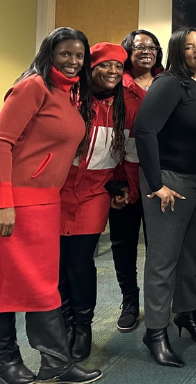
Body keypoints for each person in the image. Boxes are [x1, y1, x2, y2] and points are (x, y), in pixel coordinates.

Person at [0, 26, 102, 384]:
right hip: (17, 205)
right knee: (9, 285)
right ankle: (7, 360)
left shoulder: (69, 93)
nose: (73, 62)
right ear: (50, 54)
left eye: (79, 56)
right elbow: (2, 141)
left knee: (42, 286)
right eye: (66, 54)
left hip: (46, 204)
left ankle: (54, 363)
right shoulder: (32, 87)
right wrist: (3, 203)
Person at [134, 27, 196, 367]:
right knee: (163, 261)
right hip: (171, 183)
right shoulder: (170, 83)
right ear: (178, 53)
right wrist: (157, 183)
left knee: (194, 256)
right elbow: (144, 131)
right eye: (189, 47)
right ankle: (155, 332)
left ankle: (185, 314)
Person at [58, 42, 139, 362]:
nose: (113, 72)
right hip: (58, 191)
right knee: (57, 264)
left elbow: (129, 157)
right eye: (106, 66)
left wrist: (127, 189)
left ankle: (82, 327)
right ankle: (62, 323)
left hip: (94, 193)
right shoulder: (69, 99)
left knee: (80, 261)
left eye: (119, 67)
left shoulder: (128, 106)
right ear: (90, 69)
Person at [109, 29, 164, 333]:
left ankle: (161, 301)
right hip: (124, 177)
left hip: (161, 177)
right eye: (139, 46)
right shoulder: (117, 83)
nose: (147, 51)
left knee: (161, 247)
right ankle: (129, 300)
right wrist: (114, 183)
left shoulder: (167, 80)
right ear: (127, 50)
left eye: (152, 46)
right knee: (124, 243)